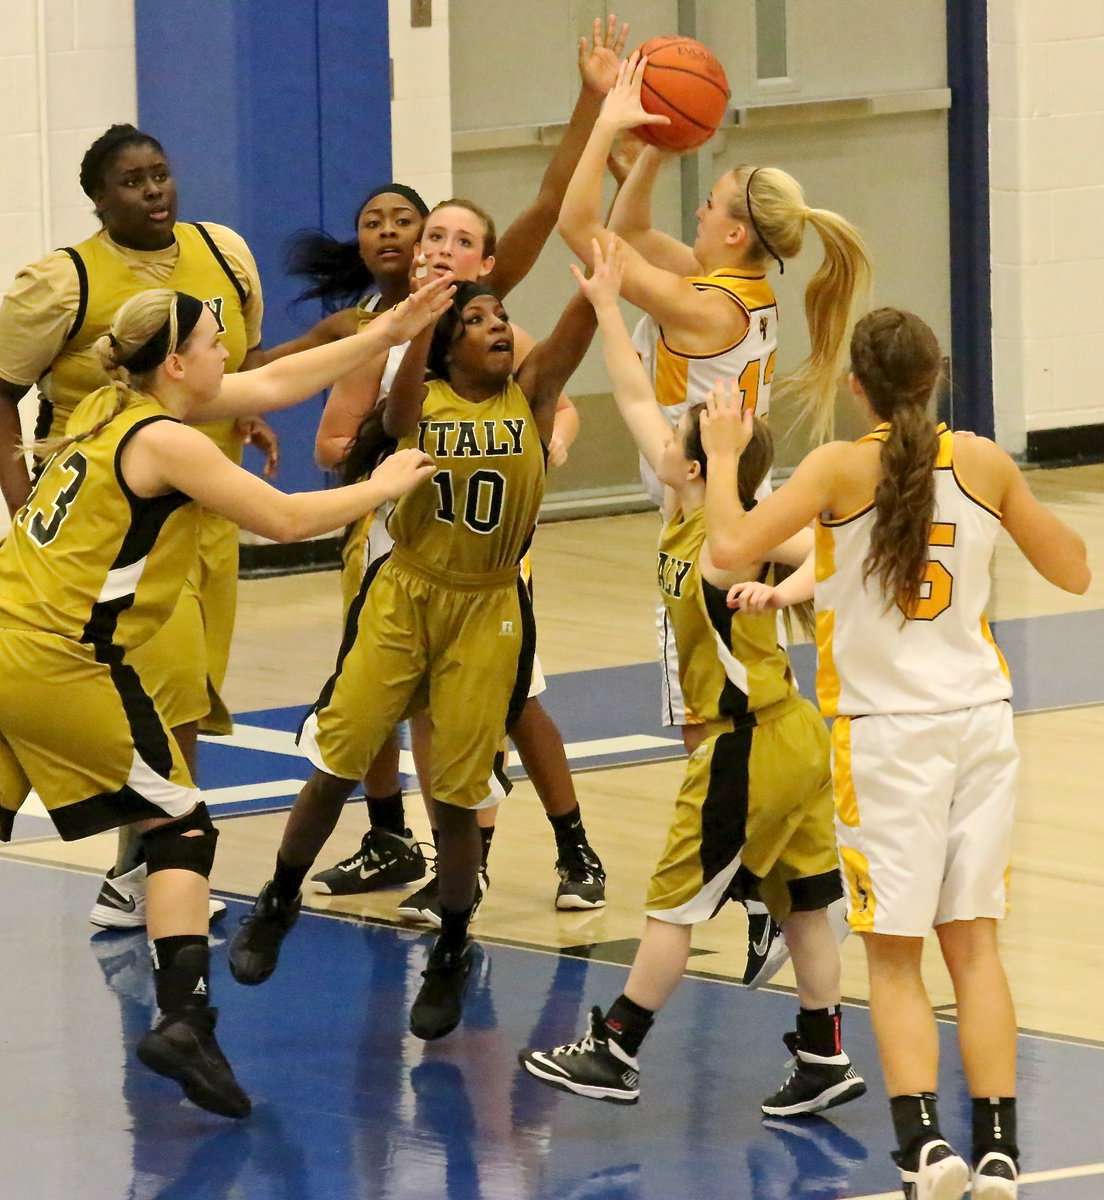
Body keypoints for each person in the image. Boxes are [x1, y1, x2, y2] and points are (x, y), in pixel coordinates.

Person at [0, 280, 450, 1117]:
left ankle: (186, 1022)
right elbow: (283, 520)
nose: (227, 350)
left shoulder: (116, 398)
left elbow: (279, 383)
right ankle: (185, 1020)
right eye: (214, 339)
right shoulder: (168, 440)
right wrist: (384, 485)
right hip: (57, 656)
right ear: (176, 362)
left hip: (6, 631)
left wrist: (391, 328)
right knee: (181, 826)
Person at [700, 308, 1091, 1200]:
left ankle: (925, 1150)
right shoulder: (985, 460)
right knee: (977, 948)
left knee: (893, 956)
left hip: (887, 738)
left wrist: (724, 457)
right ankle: (998, 1150)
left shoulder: (839, 468)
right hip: (982, 725)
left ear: (857, 388)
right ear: (937, 377)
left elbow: (727, 552)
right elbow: (1074, 572)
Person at [290, 17, 631, 915]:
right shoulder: (378, 328)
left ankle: (568, 846)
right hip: (389, 539)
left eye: (449, 236)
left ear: (481, 264)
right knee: (375, 700)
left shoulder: (487, 321)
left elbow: (552, 210)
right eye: (420, 234)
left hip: (483, 544)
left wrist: (594, 98)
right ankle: (399, 840)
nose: (432, 245)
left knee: (515, 697)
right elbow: (328, 437)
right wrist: (363, 459)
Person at [519, 239, 864, 1117]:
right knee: (805, 905)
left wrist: (784, 585)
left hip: (745, 745)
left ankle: (616, 1048)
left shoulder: (735, 529)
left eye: (684, 439)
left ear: (702, 463)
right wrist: (603, 305)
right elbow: (636, 391)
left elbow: (843, 562)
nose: (665, 435)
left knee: (672, 906)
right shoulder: (686, 503)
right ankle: (825, 1057)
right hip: (789, 740)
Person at [228, 274, 599, 1043]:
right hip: (405, 595)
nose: (498, 326)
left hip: (490, 604)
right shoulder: (419, 405)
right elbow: (396, 400)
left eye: (502, 316)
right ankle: (278, 898)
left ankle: (454, 945)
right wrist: (418, 324)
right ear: (447, 345)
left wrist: (599, 286)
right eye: (477, 319)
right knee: (341, 759)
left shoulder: (526, 400)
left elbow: (566, 348)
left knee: (458, 795)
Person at [0, 123, 279, 931]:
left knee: (185, 694)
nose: (154, 190)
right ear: (98, 198)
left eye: (160, 174)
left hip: (202, 516)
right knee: (154, 688)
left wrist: (248, 417)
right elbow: (2, 394)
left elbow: (244, 366)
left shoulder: (223, 251)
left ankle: (143, 864)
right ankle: (149, 868)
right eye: (132, 181)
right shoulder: (62, 284)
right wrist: (26, 511)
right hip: (111, 529)